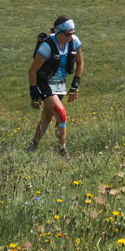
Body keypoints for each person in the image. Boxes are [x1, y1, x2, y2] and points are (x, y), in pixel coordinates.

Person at [26, 15, 83, 158]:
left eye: (72, 33)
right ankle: (63, 151)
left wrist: (74, 87)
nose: (70, 36)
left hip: (60, 85)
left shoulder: (74, 42)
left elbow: (80, 63)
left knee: (46, 118)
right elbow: (32, 71)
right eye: (67, 34)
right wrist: (35, 95)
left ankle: (33, 145)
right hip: (45, 84)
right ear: (58, 32)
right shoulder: (47, 47)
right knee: (61, 115)